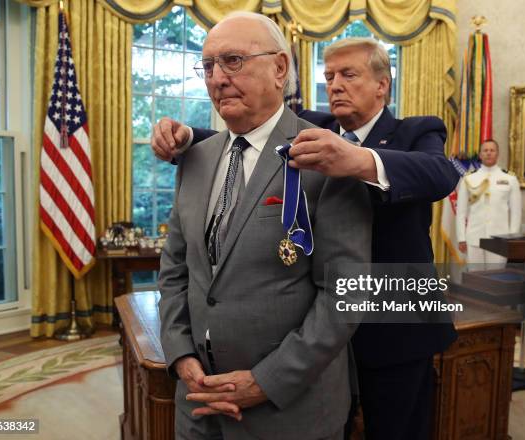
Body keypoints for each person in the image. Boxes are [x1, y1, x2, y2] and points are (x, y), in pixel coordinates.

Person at [154, 36, 459, 440]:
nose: (334, 85)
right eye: (329, 76)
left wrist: (360, 160)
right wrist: (187, 138)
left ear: (382, 84)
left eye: (348, 75)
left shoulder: (416, 131)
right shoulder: (316, 127)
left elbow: (441, 174)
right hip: (316, 331)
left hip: (391, 327)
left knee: (397, 429)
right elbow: (252, 135)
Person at [158, 12, 373, 440]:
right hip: (198, 405)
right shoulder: (195, 159)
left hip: (288, 413)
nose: (217, 78)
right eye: (207, 66)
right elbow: (175, 272)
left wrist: (265, 381)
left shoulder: (328, 156)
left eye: (233, 60)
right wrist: (181, 355)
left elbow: (347, 295)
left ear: (279, 68)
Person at [456, 139, 522, 266]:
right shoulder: (469, 178)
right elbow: (461, 212)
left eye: (492, 150)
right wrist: (461, 238)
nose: (488, 153)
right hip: (474, 237)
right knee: (476, 279)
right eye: (485, 150)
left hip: (500, 238)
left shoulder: (510, 179)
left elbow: (516, 212)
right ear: (480, 155)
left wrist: (513, 238)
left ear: (497, 154)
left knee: (497, 279)